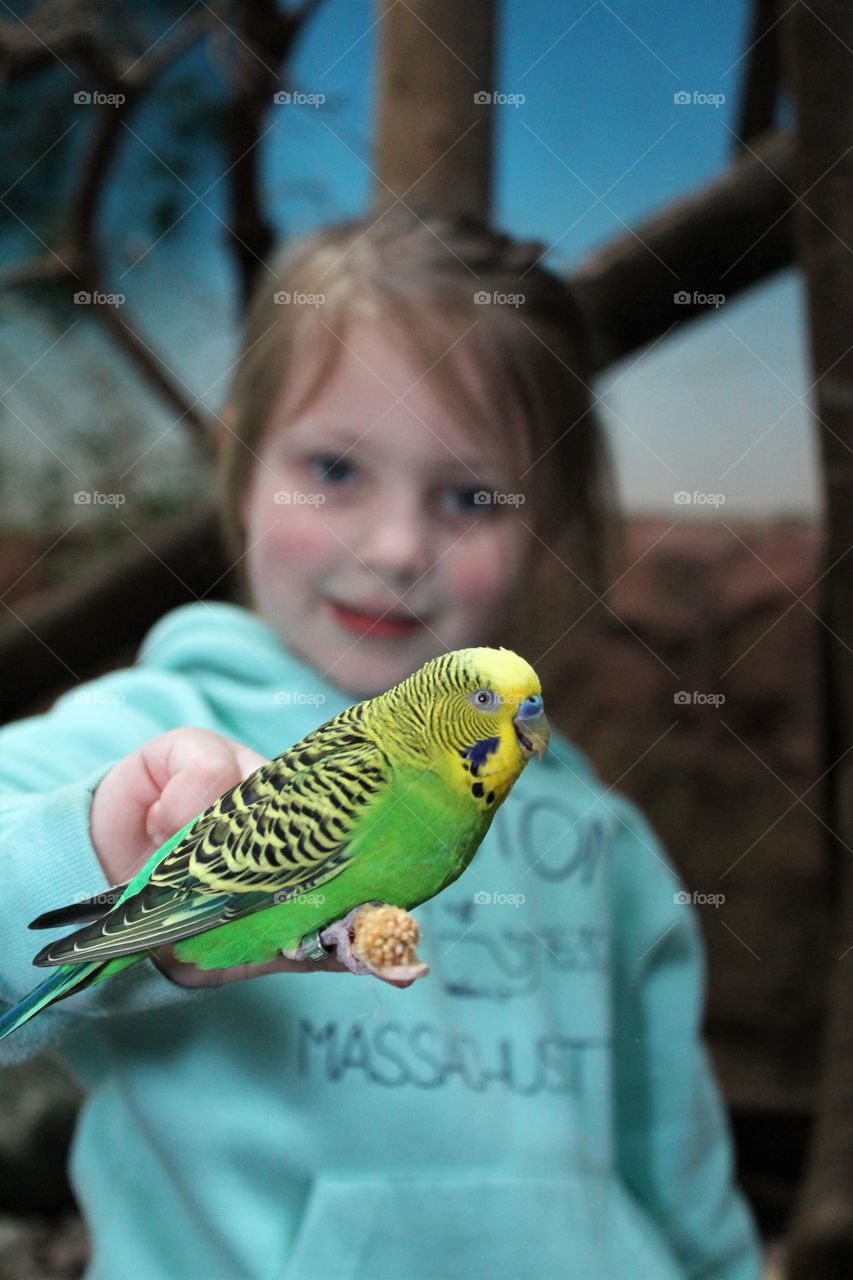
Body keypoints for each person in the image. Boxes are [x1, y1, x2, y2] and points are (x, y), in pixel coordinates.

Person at [0, 209, 763, 1279]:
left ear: (542, 521)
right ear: (239, 461)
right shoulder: (151, 736)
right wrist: (105, 845)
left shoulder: (603, 836)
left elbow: (672, 1155)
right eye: (336, 469)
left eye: (469, 495)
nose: (398, 547)